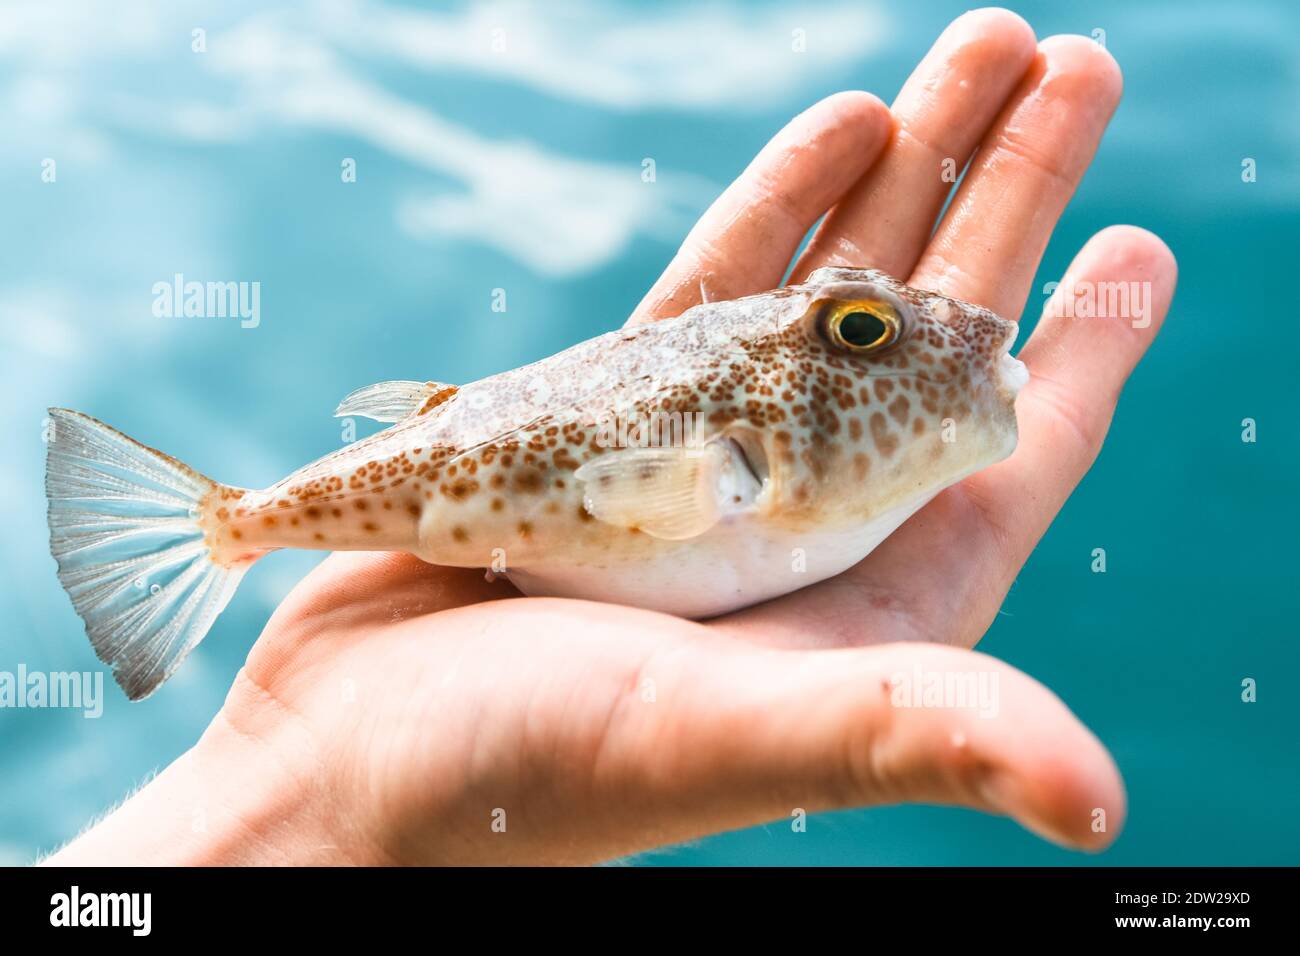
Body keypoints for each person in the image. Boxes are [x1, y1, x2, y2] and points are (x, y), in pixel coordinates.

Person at [45, 9, 1175, 866]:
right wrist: (299, 793)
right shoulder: (722, 458)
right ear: (753, 434)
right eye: (863, 331)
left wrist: (298, 807)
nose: (952, 340)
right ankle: (222, 525)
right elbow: (657, 495)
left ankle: (227, 524)